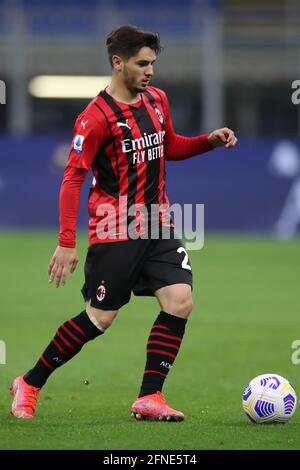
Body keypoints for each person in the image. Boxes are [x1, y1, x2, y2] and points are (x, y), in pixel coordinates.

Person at [11, 25, 237, 421]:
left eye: (153, 63)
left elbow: (168, 146)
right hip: (115, 227)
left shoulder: (157, 100)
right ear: (118, 63)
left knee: (180, 302)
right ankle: (29, 382)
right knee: (100, 319)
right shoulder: (94, 119)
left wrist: (207, 142)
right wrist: (67, 242)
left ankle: (150, 396)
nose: (150, 71)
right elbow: (73, 178)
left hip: (157, 223)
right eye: (142, 63)